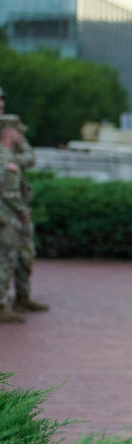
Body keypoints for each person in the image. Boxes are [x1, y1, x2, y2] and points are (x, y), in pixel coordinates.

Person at [0, 88, 48, 313]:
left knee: (24, 252)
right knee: (5, 255)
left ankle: (22, 295)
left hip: (13, 203)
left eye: (2, 101)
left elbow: (30, 157)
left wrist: (11, 161)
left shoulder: (10, 126)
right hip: (5, 204)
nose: (1, 105)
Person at [0, 114, 29, 323]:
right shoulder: (7, 158)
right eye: (18, 131)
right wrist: (22, 210)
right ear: (9, 132)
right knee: (5, 261)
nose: (21, 136)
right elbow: (9, 192)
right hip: (5, 217)